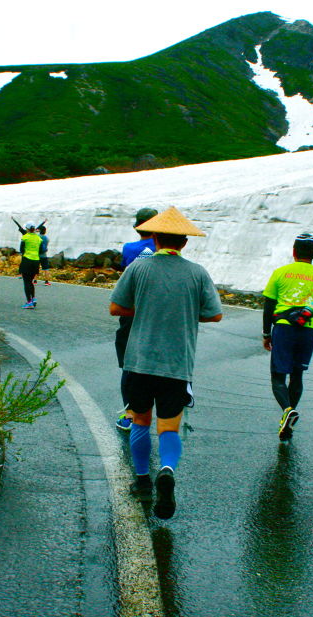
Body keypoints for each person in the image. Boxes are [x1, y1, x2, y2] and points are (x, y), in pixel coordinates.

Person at [109, 207, 223, 519]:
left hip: (140, 360)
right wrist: (184, 311)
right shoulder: (198, 273)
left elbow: (116, 307)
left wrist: (145, 309)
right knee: (169, 425)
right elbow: (214, 313)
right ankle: (168, 470)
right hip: (177, 362)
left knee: (141, 420)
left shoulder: (138, 268)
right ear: (184, 243)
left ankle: (143, 481)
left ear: (155, 238)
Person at [262, 233, 313, 442]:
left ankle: (287, 410)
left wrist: (266, 333)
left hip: (285, 328)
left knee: (278, 376)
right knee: (297, 376)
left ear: (294, 251)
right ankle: (288, 424)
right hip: (309, 331)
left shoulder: (280, 273)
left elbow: (268, 307)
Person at [114, 207, 158, 430]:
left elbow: (125, 272)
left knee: (129, 365)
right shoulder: (161, 248)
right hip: (157, 312)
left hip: (131, 312)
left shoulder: (129, 248)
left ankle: (129, 413)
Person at [17, 223, 43, 309]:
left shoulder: (25, 237)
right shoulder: (38, 238)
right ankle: (33, 298)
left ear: (27, 229)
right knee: (31, 281)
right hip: (36, 260)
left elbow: (21, 249)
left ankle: (29, 302)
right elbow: (41, 250)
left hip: (27, 260)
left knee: (26, 281)